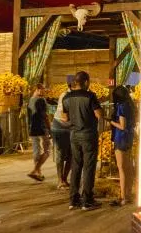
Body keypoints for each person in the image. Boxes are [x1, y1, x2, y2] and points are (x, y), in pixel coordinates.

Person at [60, 71, 103, 211]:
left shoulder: (66, 97)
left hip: (74, 135)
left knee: (76, 166)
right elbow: (98, 115)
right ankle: (87, 200)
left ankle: (73, 200)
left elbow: (64, 118)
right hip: (88, 134)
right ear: (85, 82)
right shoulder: (90, 96)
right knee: (89, 167)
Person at [108, 85, 135, 207]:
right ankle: (128, 194)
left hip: (121, 138)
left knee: (121, 169)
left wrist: (111, 121)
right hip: (129, 138)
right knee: (128, 167)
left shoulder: (121, 106)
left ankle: (123, 197)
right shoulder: (130, 105)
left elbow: (122, 126)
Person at [26, 83, 51, 182]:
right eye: (44, 89)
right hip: (42, 128)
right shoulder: (41, 100)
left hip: (33, 128)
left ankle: (38, 173)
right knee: (47, 151)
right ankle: (35, 170)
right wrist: (50, 129)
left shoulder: (30, 100)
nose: (45, 91)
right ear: (38, 89)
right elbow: (45, 116)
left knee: (36, 150)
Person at [51, 91, 72, 190]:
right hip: (60, 127)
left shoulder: (74, 94)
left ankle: (64, 179)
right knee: (60, 154)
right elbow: (64, 117)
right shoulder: (66, 95)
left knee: (71, 155)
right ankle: (60, 180)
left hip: (70, 128)